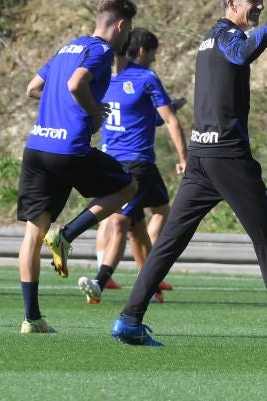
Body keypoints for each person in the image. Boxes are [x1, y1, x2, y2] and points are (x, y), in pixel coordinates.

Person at [111, 0, 267, 351]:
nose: (259, 5)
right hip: (227, 155)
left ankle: (129, 319)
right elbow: (244, 51)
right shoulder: (226, 36)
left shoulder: (210, 38)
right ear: (231, 3)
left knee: (170, 242)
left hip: (203, 154)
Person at [16, 0, 139, 334]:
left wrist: (65, 104)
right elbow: (76, 84)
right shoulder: (101, 52)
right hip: (68, 149)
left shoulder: (68, 47)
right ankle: (68, 234)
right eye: (128, 32)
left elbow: (33, 88)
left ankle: (32, 319)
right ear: (121, 25)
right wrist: (94, 112)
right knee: (128, 186)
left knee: (32, 235)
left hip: (36, 146)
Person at [78, 28, 187, 305]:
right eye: (152, 53)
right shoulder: (129, 78)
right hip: (122, 162)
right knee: (131, 222)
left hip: (137, 163)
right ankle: (145, 282)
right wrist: (183, 157)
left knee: (137, 216)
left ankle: (105, 281)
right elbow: (169, 120)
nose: (152, 59)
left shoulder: (121, 79)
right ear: (141, 51)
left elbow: (160, 118)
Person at [93, 96, 187, 294]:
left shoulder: (106, 83)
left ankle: (147, 277)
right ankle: (102, 279)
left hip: (113, 159)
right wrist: (175, 105)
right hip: (134, 163)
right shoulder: (142, 80)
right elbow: (160, 118)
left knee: (149, 215)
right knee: (121, 221)